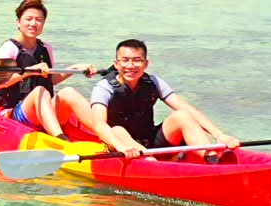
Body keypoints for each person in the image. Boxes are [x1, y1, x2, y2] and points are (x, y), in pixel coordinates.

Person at [74, 39, 236, 158]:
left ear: (146, 64)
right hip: (119, 144)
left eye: (137, 60)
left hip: (149, 140)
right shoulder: (104, 87)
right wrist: (121, 146)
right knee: (118, 130)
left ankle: (212, 159)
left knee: (183, 116)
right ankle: (152, 165)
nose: (130, 66)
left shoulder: (154, 82)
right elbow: (99, 124)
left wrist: (220, 135)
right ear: (116, 64)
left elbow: (187, 108)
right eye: (125, 61)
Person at [0, 0, 94, 139]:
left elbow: (50, 80)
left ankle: (105, 133)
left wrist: (75, 68)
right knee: (39, 91)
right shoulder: (10, 48)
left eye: (39, 20)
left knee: (68, 92)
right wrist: (29, 72)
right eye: (28, 19)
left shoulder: (45, 48)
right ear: (18, 22)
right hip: (18, 112)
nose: (33, 23)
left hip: (44, 108)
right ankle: (60, 138)